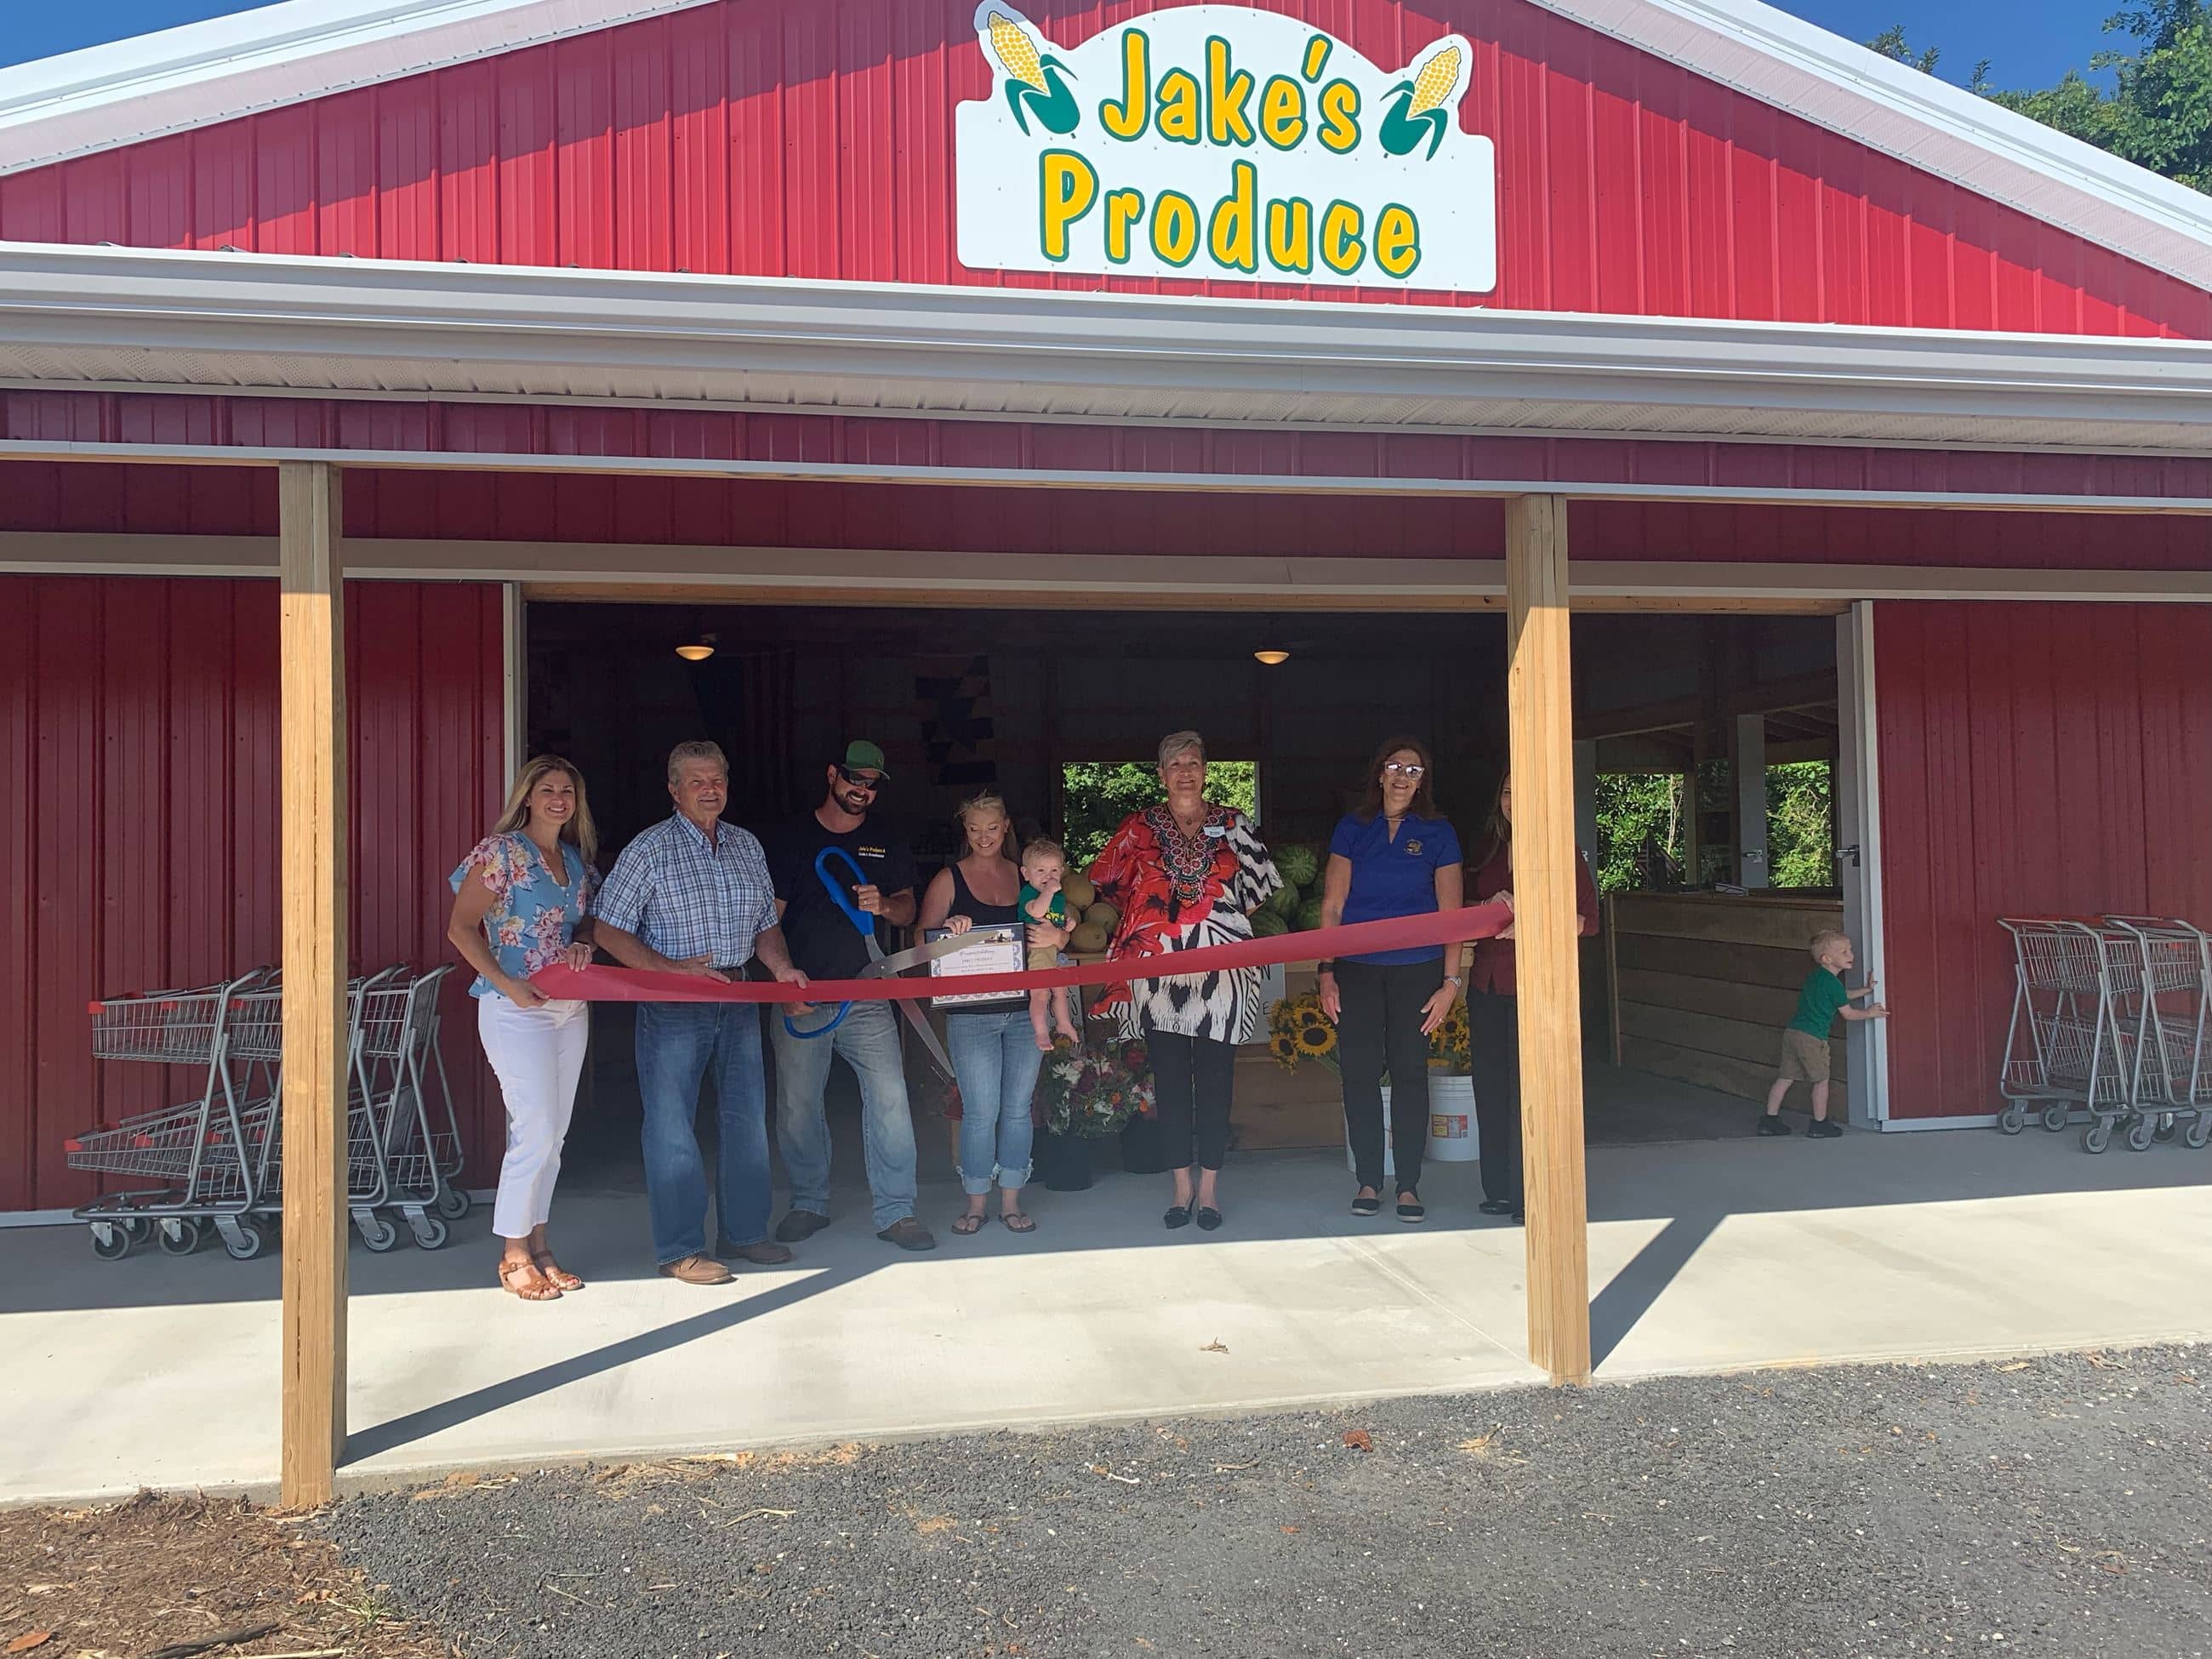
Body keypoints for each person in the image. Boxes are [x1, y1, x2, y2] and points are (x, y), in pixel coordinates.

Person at [591, 740, 810, 1287]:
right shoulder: (649, 850)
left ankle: (743, 1233)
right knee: (671, 1128)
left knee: (745, 1122)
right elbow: (607, 930)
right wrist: (670, 970)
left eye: (717, 779)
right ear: (673, 790)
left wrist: (781, 969)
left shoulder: (746, 846)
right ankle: (680, 1249)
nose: (710, 789)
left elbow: (765, 924)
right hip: (672, 1005)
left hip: (738, 999)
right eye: (697, 781)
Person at [1089, 730, 1281, 1233]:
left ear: (1205, 769)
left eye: (1194, 762)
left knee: (1217, 1082)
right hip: (1158, 976)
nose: (1186, 770)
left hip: (1223, 976)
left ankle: (1211, 1191)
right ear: (1161, 773)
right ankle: (1181, 1188)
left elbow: (1260, 889)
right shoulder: (1139, 827)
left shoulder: (1233, 824)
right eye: (1176, 763)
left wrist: (1214, 922)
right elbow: (1105, 886)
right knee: (1170, 1083)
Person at [764, 740, 935, 1252]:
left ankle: (897, 1210)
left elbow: (909, 910)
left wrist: (884, 904)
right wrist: (782, 978)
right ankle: (809, 1201)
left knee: (890, 1100)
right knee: (797, 1105)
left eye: (872, 784)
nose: (862, 790)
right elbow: (767, 918)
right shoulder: (791, 839)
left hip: (866, 991)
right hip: (804, 992)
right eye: (854, 780)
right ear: (832, 774)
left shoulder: (888, 839)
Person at [446, 755, 601, 1303]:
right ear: (527, 798)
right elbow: (461, 929)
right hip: (514, 1007)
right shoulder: (500, 854)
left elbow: (585, 919)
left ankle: (540, 1245)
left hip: (568, 1007)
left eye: (568, 789)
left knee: (553, 1135)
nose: (559, 798)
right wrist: (508, 984)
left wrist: (585, 939)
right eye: (548, 789)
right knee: (533, 1128)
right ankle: (513, 1252)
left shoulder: (576, 862)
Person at [1317, 737, 1464, 1224]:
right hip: (1357, 970)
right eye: (1395, 767)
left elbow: (1452, 915)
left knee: (1409, 1074)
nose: (1403, 777)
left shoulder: (1439, 833)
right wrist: (1326, 970)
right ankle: (1367, 1180)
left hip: (1417, 971)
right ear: (1379, 773)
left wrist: (1450, 983)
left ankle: (1407, 1186)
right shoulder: (1352, 829)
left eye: (1414, 770)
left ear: (1424, 781)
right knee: (1359, 1074)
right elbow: (1334, 906)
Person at [916, 793, 1065, 1235]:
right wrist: (951, 931)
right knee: (980, 1112)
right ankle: (976, 1203)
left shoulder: (1030, 877)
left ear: (1006, 829)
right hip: (972, 1014)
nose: (984, 836)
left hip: (1026, 1010)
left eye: (992, 827)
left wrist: (1058, 932)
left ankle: (1012, 1202)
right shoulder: (949, 880)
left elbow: (1058, 926)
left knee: (1018, 1110)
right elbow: (922, 945)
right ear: (966, 833)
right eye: (974, 828)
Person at [1464, 771, 1599, 1224]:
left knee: (1537, 1091)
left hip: (1540, 988)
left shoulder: (1563, 852)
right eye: (1506, 792)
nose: (1512, 801)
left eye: (1523, 792)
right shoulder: (1486, 851)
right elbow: (1458, 914)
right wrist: (1486, 911)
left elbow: (1587, 922)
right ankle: (1498, 1189)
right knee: (1491, 1087)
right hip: (1487, 984)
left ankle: (1537, 1194)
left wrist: (1537, 916)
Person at [1761, 930, 1887, 1137]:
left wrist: (1866, 990)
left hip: (1793, 1033)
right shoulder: (1833, 983)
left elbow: (1839, 996)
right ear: (1827, 959)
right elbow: (1848, 1013)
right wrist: (1870, 1013)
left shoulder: (1817, 977)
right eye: (1844, 952)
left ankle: (1769, 1121)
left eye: (1850, 950)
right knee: (1821, 1080)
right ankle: (1819, 1124)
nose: (1851, 955)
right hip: (1812, 1037)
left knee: (1785, 1077)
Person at [1018, 837, 1081, 1051]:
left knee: (1061, 991)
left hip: (1054, 950)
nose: (1049, 877)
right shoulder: (1029, 893)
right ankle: (1041, 1032)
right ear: (1026, 874)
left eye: (1054, 871)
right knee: (1041, 993)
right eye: (1041, 871)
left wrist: (1068, 922)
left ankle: (1064, 1024)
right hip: (1037, 951)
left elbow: (1057, 916)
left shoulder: (1058, 895)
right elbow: (1037, 911)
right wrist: (1049, 891)